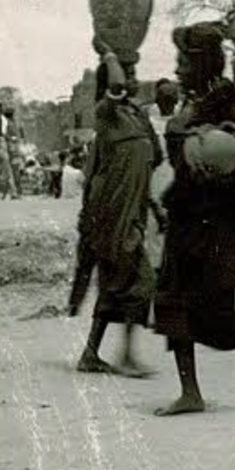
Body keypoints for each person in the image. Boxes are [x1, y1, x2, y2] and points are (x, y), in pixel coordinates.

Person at [152, 22, 235, 415]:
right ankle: (190, 392)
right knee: (173, 301)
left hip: (218, 222)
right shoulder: (192, 102)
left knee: (216, 308)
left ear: (204, 63)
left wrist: (224, 146)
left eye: (183, 62)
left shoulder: (232, 104)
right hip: (187, 215)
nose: (177, 70)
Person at [72, 51, 163, 376]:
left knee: (120, 282)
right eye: (129, 75)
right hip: (111, 214)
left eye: (135, 73)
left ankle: (96, 353)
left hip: (131, 212)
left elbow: (154, 160)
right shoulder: (106, 112)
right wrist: (111, 55)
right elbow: (114, 85)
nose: (134, 80)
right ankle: (117, 354)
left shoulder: (135, 115)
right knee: (138, 280)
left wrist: (151, 207)